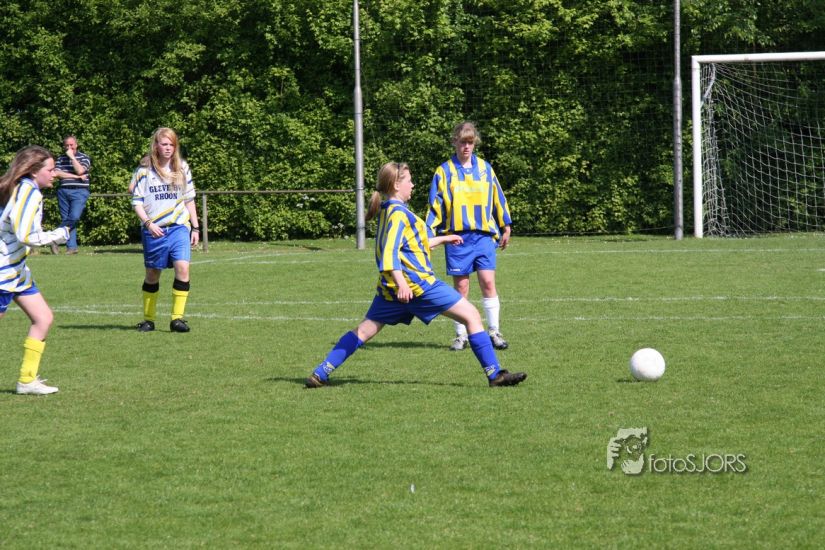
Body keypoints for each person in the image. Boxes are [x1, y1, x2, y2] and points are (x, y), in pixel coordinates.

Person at [305, 162, 526, 389]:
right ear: (396, 184)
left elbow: (413, 244)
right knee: (472, 315)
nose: (413, 185)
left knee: (363, 331)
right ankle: (495, 375)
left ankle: (321, 373)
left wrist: (444, 239)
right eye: (409, 181)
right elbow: (389, 252)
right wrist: (403, 283)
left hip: (390, 290)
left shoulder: (387, 210)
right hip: (417, 286)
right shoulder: (398, 214)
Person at [427, 121, 513, 351]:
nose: (466, 147)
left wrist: (505, 225)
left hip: (483, 236)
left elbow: (498, 197)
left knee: (488, 282)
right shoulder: (444, 171)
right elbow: (435, 205)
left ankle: (494, 332)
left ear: (475, 143)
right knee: (461, 288)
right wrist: (429, 235)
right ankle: (461, 335)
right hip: (458, 238)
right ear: (454, 142)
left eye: (470, 142)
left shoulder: (485, 168)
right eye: (462, 142)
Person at [0, 146, 71, 395]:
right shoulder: (28, 192)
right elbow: (26, 235)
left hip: (17, 271)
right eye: (50, 170)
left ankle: (27, 380)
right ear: (33, 171)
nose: (55, 174)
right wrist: (58, 235)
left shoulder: (23, 189)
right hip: (4, 272)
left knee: (43, 318)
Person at [130, 127, 200, 333]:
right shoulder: (144, 171)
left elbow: (189, 199)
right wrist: (148, 223)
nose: (168, 148)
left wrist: (195, 227)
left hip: (179, 227)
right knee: (153, 274)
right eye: (164, 144)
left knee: (183, 268)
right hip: (154, 230)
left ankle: (177, 319)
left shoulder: (182, 168)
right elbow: (137, 202)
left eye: (172, 144)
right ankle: (149, 320)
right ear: (156, 146)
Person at [52, 135, 91, 255]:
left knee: (74, 217)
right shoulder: (60, 159)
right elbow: (57, 173)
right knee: (67, 219)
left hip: (79, 191)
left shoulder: (84, 157)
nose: (69, 147)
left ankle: (54, 239)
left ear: (76, 145)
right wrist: (76, 177)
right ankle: (72, 247)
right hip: (63, 191)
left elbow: (80, 170)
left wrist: (72, 157)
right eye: (67, 145)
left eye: (71, 145)